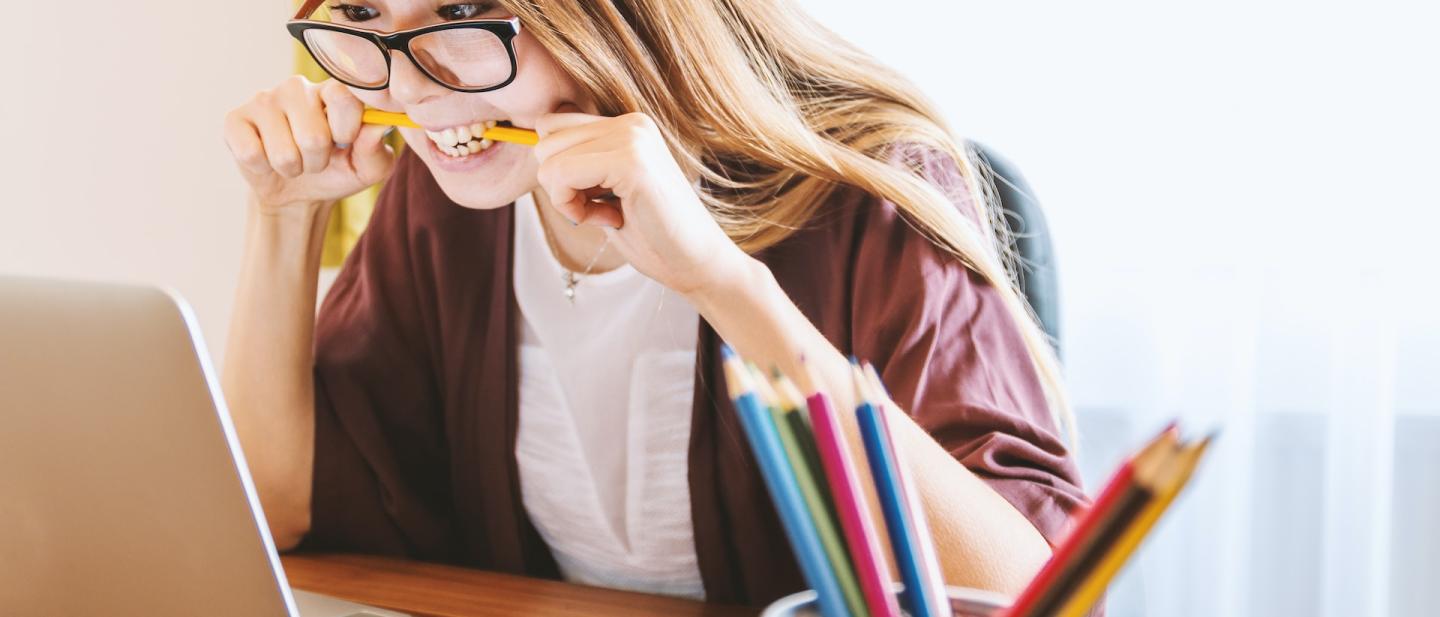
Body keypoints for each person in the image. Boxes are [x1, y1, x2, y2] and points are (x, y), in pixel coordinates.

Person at [221, 0, 1088, 606]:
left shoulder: (870, 193)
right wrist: (283, 217)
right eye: (366, 18)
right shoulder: (449, 200)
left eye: (459, 16)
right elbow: (277, 506)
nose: (408, 90)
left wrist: (722, 281)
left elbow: (1027, 591)